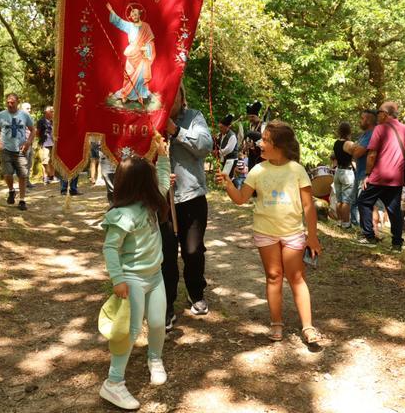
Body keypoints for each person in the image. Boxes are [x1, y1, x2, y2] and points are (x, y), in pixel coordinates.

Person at [214, 120, 322, 345]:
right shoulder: (257, 170)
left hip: (293, 233)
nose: (260, 143)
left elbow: (309, 206)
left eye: (265, 140)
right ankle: (276, 323)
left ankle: (308, 327)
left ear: (279, 145)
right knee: (273, 277)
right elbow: (241, 199)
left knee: (296, 277)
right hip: (265, 233)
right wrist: (228, 184)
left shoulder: (297, 170)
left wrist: (312, 236)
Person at [99, 135, 170, 410]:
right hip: (132, 280)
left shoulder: (150, 203)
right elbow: (110, 249)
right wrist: (118, 280)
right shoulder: (122, 215)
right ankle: (113, 383)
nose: (155, 184)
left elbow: (163, 182)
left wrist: (163, 156)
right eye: (149, 179)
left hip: (155, 276)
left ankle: (155, 358)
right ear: (141, 184)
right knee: (127, 332)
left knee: (156, 323)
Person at [161, 85, 213, 330]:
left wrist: (176, 131)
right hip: (161, 200)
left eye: (175, 95)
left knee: (193, 251)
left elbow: (205, 145)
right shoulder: (150, 120)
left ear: (181, 97)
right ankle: (167, 305)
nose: (171, 99)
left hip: (191, 196)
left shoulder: (194, 117)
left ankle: (196, 293)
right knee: (165, 255)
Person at [355, 102, 405, 250]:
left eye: (378, 112)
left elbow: (371, 155)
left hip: (379, 176)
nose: (377, 115)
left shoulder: (380, 129)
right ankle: (397, 243)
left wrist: (367, 174)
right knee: (394, 210)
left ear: (385, 114)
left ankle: (369, 236)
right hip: (396, 178)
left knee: (364, 202)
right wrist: (404, 153)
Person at [106, 2, 155, 106]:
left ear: (139, 14)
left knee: (141, 76)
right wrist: (111, 10)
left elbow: (150, 42)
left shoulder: (146, 26)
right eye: (132, 15)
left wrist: (146, 49)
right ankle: (126, 94)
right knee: (128, 74)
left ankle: (140, 95)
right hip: (132, 53)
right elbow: (119, 21)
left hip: (141, 54)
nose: (134, 17)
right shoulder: (129, 26)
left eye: (136, 14)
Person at [0, 93, 35, 211]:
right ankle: (11, 190)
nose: (10, 105)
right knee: (7, 174)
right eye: (8, 102)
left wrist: (28, 143)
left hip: (21, 149)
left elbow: (33, 130)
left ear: (18, 102)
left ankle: (22, 200)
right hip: (6, 149)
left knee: (22, 175)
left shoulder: (24, 115)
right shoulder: (1, 115)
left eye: (12, 102)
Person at [345, 109, 378, 227]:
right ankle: (367, 231)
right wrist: (354, 149)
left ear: (368, 120)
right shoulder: (365, 134)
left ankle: (370, 232)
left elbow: (357, 152)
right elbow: (354, 150)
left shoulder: (372, 134)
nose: (360, 121)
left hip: (367, 175)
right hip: (360, 174)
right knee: (360, 203)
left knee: (367, 205)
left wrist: (353, 148)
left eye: (362, 118)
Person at [332, 122, 355, 229]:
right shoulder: (349, 144)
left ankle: (339, 221)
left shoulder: (336, 143)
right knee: (346, 200)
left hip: (338, 171)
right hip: (347, 172)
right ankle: (346, 223)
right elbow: (355, 157)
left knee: (339, 199)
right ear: (349, 131)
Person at [242, 101, 266, 170]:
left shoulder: (263, 125)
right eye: (249, 117)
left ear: (257, 116)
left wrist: (254, 144)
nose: (250, 119)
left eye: (252, 117)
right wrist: (246, 145)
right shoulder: (251, 126)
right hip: (252, 156)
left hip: (261, 156)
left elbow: (265, 141)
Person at [36, 106, 56, 185]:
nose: (53, 112)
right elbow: (37, 132)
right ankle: (45, 177)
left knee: (53, 161)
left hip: (53, 143)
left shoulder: (53, 121)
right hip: (45, 143)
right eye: (51, 111)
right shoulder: (41, 121)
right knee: (45, 160)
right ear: (46, 112)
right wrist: (41, 139)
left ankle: (52, 176)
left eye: (53, 111)